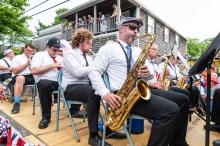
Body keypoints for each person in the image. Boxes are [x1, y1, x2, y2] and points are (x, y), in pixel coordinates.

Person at [92, 17, 189, 146]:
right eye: (132, 28)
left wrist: (147, 74)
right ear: (121, 28)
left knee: (183, 100)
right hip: (121, 97)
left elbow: (147, 77)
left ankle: (178, 142)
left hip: (138, 91)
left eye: (137, 29)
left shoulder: (138, 51)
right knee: (170, 110)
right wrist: (105, 94)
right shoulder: (108, 48)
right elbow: (93, 73)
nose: (136, 31)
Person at [62, 28, 120, 146]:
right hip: (71, 87)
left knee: (109, 91)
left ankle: (108, 128)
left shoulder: (88, 57)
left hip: (86, 87)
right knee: (95, 93)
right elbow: (77, 73)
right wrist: (95, 66)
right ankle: (93, 136)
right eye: (88, 42)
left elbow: (94, 73)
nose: (90, 45)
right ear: (80, 41)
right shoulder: (69, 55)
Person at [31, 37, 62, 129]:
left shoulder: (60, 57)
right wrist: (51, 66)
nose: (56, 52)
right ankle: (46, 117)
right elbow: (34, 71)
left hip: (60, 82)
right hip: (45, 82)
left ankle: (74, 109)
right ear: (47, 47)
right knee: (45, 84)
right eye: (54, 50)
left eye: (58, 50)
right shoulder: (39, 55)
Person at [11, 44, 35, 114]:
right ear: (24, 49)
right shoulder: (17, 58)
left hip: (31, 76)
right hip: (19, 76)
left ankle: (49, 100)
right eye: (28, 50)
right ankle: (17, 103)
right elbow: (15, 71)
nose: (29, 52)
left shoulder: (34, 58)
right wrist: (27, 64)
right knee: (20, 78)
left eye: (31, 51)